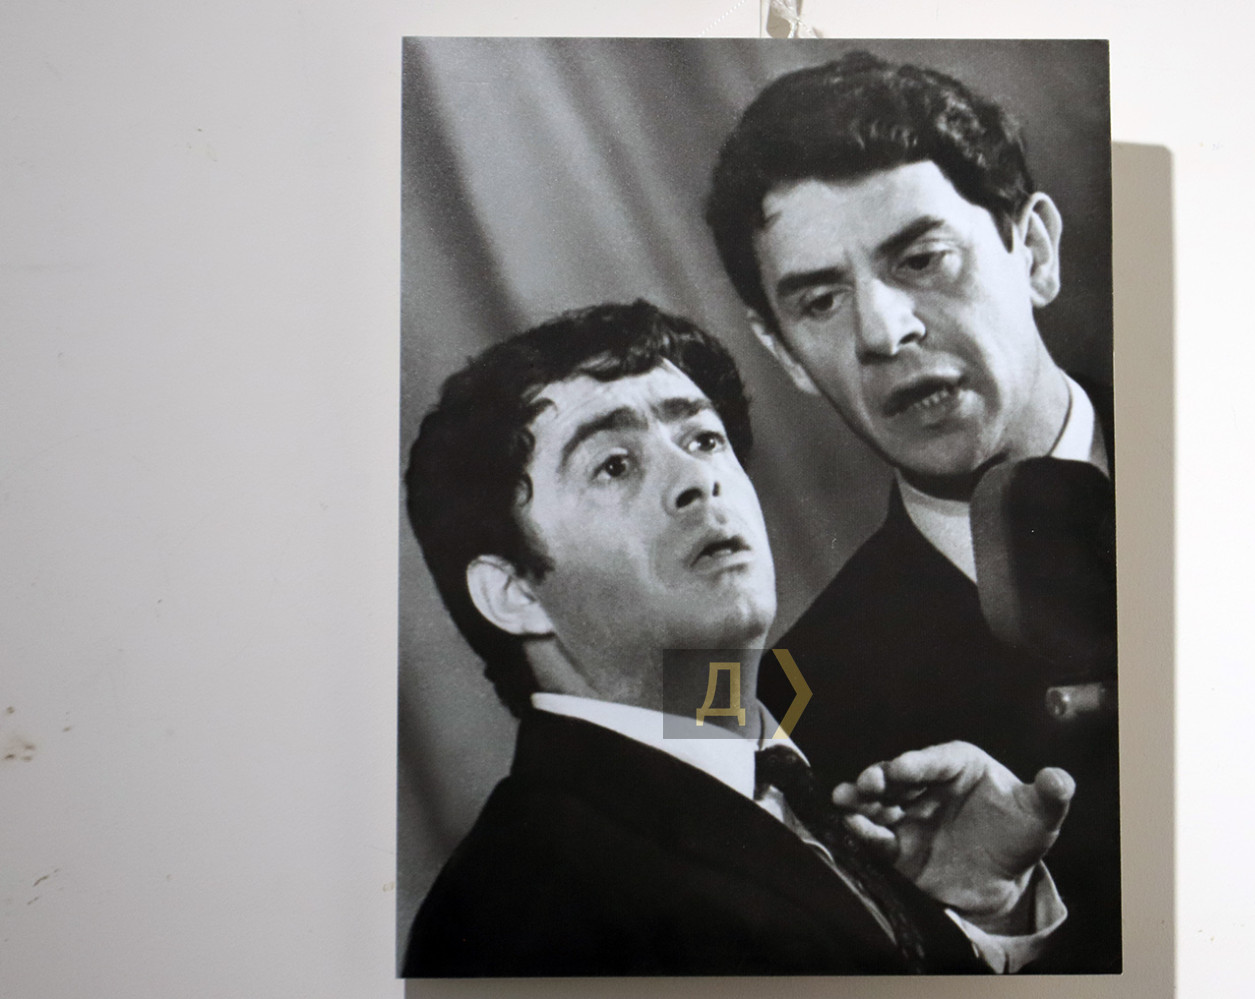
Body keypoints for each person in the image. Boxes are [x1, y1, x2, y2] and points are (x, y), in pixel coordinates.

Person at [400, 301, 1074, 976]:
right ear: (514, 592)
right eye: (615, 465)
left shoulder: (846, 774)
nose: (700, 479)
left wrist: (990, 916)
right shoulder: (505, 912)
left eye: (702, 439)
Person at [706, 52, 1121, 972]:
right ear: (785, 353)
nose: (882, 330)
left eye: (923, 259)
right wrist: (1002, 926)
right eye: (821, 299)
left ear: (1034, 251)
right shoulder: (803, 719)